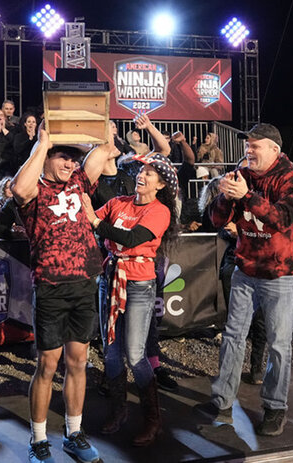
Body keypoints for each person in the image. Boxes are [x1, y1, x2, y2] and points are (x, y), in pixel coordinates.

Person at [11, 122, 115, 463]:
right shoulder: (35, 193)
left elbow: (104, 151)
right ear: (46, 157)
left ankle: (74, 433)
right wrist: (44, 142)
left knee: (79, 362)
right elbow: (18, 187)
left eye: (73, 159)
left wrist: (103, 126)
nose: (70, 164)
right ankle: (39, 440)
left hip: (85, 284)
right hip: (52, 288)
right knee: (47, 365)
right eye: (63, 158)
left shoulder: (79, 182)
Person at [196, 123, 293, 437]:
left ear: (274, 149)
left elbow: (284, 220)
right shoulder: (240, 174)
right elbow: (217, 221)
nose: (248, 151)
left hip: (280, 272)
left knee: (279, 344)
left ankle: (274, 407)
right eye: (248, 146)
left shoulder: (292, 179)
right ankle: (223, 399)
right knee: (232, 335)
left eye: (255, 146)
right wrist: (225, 197)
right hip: (246, 268)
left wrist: (247, 196)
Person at [85, 154, 178, 446]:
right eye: (142, 170)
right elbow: (87, 220)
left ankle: (153, 420)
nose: (142, 175)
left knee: (136, 354)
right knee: (111, 352)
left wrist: (94, 221)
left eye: (151, 174)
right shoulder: (118, 202)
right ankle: (119, 411)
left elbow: (131, 238)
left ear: (160, 185)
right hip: (111, 278)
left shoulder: (160, 210)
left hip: (138, 283)